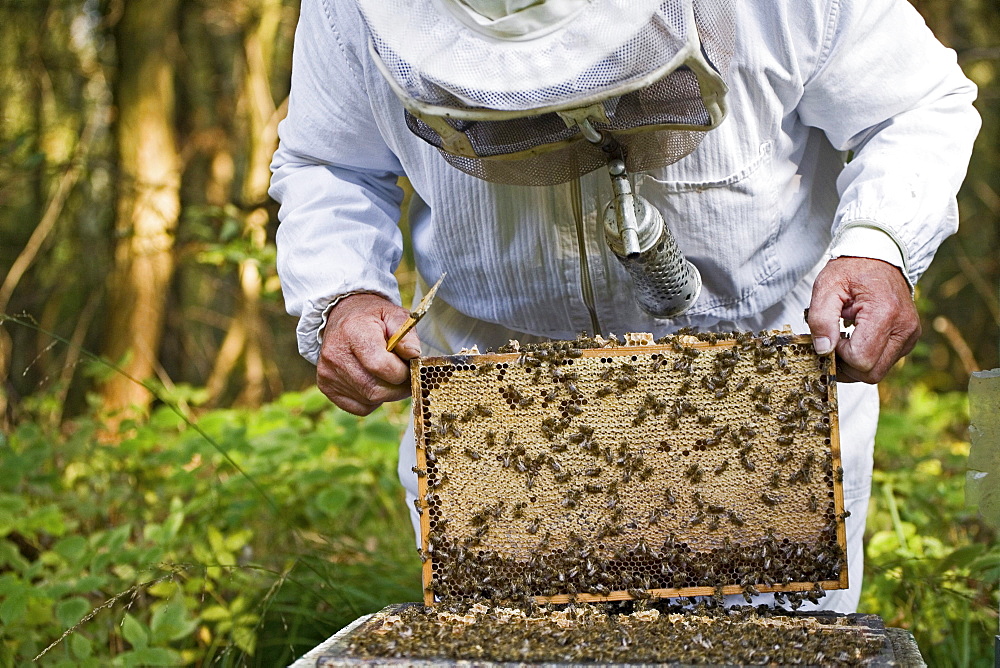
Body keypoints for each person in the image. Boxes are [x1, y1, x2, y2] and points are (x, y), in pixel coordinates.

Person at [269, 0, 980, 613]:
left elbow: (915, 107)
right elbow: (329, 160)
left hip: (760, 420)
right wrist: (344, 291)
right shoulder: (354, 13)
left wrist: (879, 243)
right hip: (500, 431)